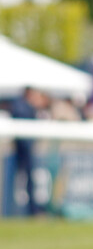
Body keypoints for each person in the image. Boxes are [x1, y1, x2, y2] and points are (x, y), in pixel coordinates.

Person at [10, 87, 42, 215]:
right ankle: (28, 210)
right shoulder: (22, 106)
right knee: (24, 179)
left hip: (24, 148)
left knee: (27, 180)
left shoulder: (25, 105)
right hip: (22, 149)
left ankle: (31, 210)